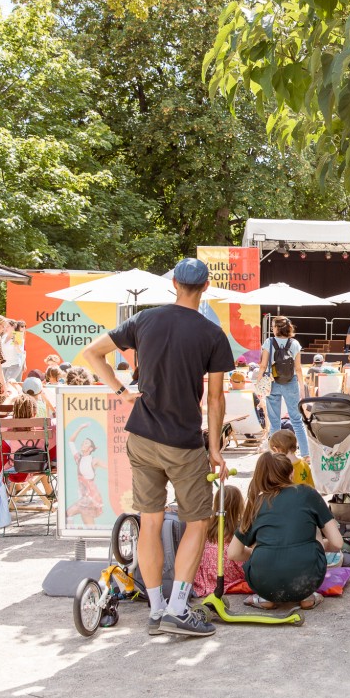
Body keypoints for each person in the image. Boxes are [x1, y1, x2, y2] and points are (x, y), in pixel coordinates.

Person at [83, 257, 234, 638]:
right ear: (206, 287)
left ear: (173, 285)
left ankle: (156, 610)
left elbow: (92, 353)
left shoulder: (145, 320)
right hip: (183, 443)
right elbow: (215, 399)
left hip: (142, 437)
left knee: (149, 522)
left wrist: (121, 392)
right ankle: (179, 610)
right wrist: (214, 448)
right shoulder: (212, 334)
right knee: (197, 522)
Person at [229, 451, 343, 610]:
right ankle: (307, 596)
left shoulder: (256, 501)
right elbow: (337, 543)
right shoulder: (307, 493)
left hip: (263, 583)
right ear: (292, 473)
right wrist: (319, 546)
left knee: (265, 541)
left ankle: (265, 598)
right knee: (313, 529)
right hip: (306, 580)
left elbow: (233, 553)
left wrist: (257, 552)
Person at [258, 317, 308, 455]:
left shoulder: (269, 342)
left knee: (274, 423)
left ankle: (275, 454)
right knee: (297, 421)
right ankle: (305, 454)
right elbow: (298, 368)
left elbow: (263, 365)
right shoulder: (294, 343)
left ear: (276, 328)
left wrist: (259, 383)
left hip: (272, 382)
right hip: (290, 382)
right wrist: (302, 388)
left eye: (273, 326)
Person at [193, 485, 247, 598]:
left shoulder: (209, 527)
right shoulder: (239, 530)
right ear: (239, 506)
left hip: (208, 576)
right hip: (228, 574)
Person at [64, 422, 107, 527]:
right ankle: (76, 535)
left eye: (86, 443)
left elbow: (109, 467)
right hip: (83, 496)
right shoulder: (79, 458)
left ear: (91, 448)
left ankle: (72, 533)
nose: (83, 444)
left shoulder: (94, 460)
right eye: (83, 442)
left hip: (90, 496)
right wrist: (80, 427)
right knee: (89, 526)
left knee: (69, 512)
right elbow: (71, 441)